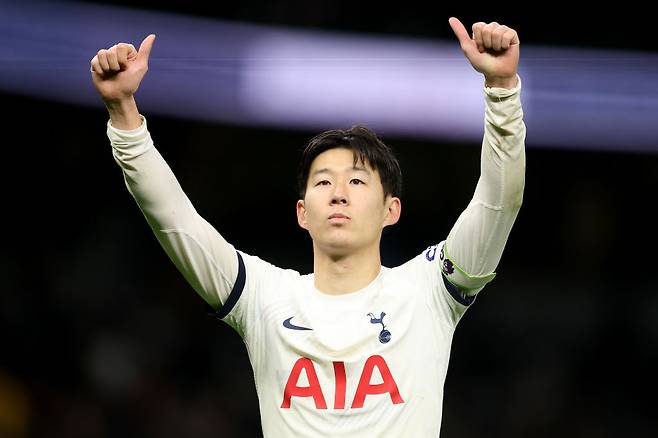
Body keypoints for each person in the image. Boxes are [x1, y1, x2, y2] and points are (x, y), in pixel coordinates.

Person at [90, 16, 525, 437]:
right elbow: (174, 219)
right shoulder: (262, 297)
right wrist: (123, 113)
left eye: (357, 181)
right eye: (323, 182)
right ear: (302, 213)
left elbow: (499, 203)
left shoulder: (430, 289)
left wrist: (502, 89)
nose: (339, 193)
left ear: (390, 210)